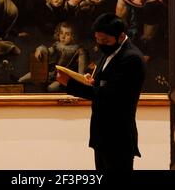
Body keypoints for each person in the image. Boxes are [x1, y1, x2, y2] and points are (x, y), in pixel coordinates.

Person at [57, 13, 146, 171]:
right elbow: (103, 82)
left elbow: (109, 95)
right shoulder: (111, 51)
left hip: (118, 137)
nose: (100, 44)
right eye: (97, 39)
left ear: (121, 36)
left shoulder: (132, 59)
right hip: (102, 135)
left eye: (105, 41)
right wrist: (91, 80)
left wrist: (70, 85)